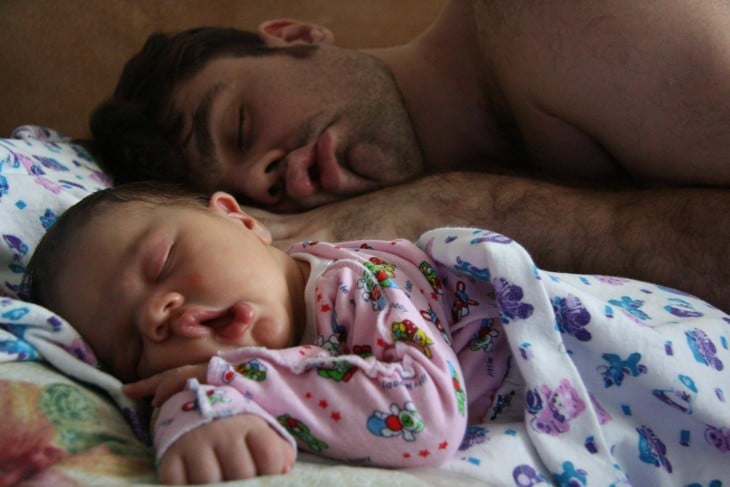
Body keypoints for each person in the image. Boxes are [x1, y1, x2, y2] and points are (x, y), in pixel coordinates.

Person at [25, 181, 729, 485]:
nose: (161, 312)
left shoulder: (348, 283)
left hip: (652, 349)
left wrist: (223, 383)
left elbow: (420, 412)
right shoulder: (288, 346)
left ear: (240, 218)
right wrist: (187, 406)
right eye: (133, 344)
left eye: (163, 261)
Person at [88, 1, 729, 311]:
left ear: (294, 36)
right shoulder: (396, 267)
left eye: (240, 122)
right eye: (257, 194)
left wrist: (468, 204)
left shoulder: (558, 20)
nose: (266, 173)